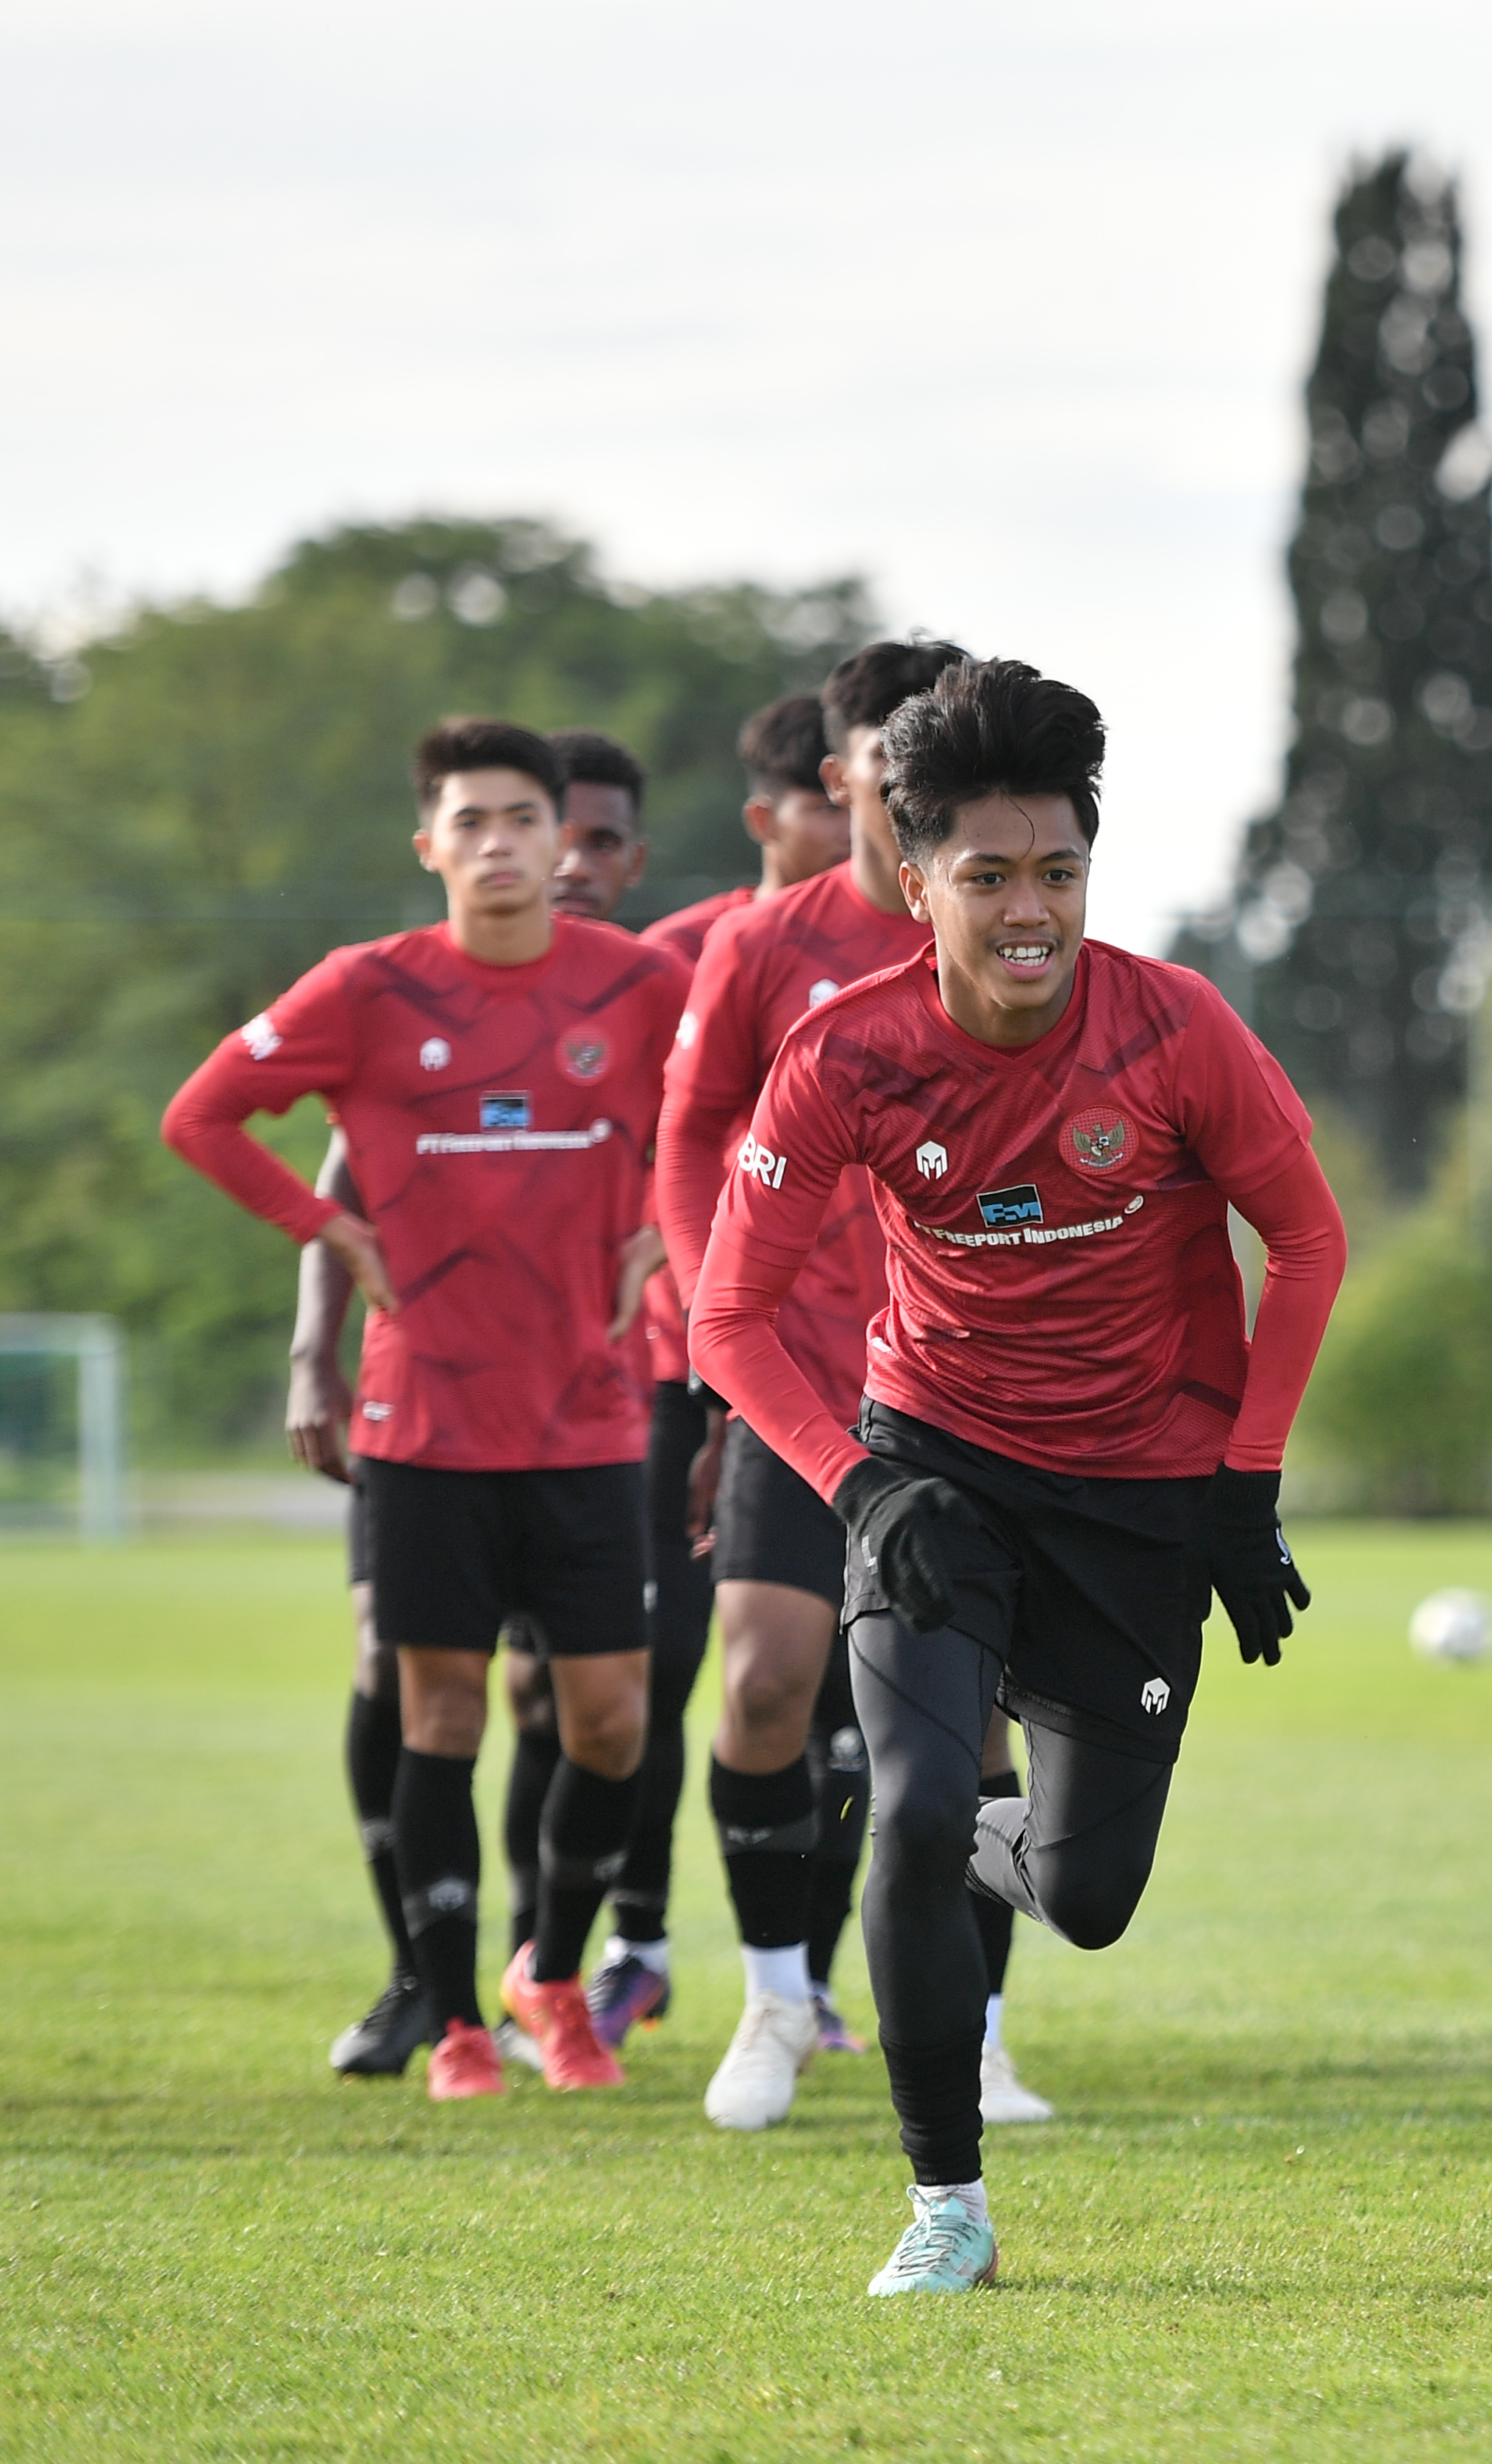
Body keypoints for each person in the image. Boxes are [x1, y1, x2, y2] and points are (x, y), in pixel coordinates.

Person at [690, 658, 1346, 2295]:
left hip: (1136, 1495)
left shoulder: (1176, 1026)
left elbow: (1312, 1238)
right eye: (988, 875)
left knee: (1088, 1894)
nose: (1029, 906)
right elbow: (729, 1316)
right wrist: (860, 1486)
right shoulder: (849, 1051)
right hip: (939, 1472)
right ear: (917, 881)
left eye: (1058, 869)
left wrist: (1243, 1489)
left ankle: (937, 1820)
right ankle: (946, 2206)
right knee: (917, 1815)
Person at [167, 719, 689, 2098]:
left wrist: (668, 1234)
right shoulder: (366, 988)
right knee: (440, 1714)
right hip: (426, 1426)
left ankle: (552, 1977)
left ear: (561, 839)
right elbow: (203, 1115)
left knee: (613, 1724)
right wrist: (327, 1234)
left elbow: (744, 1113)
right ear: (431, 845)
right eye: (473, 820)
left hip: (587, 1415)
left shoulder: (638, 983)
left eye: (528, 817)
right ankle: (457, 2021)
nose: (505, 841)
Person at [661, 640, 1043, 2135]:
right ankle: (773, 1994)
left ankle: (989, 2029)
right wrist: (715, 1315)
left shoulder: (1018, 931)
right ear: (847, 780)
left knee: (984, 1727)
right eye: (892, 764)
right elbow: (688, 1138)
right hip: (803, 1384)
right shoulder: (761, 950)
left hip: (973, 1392)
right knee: (761, 1680)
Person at [583, 692, 855, 2046]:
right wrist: (703, 1340)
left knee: (856, 1711)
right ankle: (633, 1938)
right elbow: (650, 1148)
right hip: (705, 1372)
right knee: (665, 1669)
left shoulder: (971, 939)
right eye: (828, 788)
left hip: (881, 1375)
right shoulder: (697, 955)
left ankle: (817, 1982)